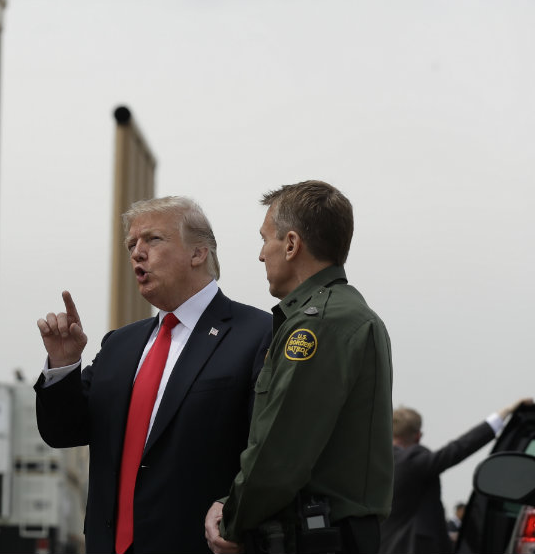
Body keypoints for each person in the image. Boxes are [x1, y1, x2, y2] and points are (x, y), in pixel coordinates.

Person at [35, 196, 272, 553]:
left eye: (153, 240)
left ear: (198, 253)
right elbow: (64, 430)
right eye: (132, 244)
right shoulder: (119, 344)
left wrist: (234, 506)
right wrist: (63, 365)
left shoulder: (258, 334)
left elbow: (269, 449)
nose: (137, 253)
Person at [206, 180, 394, 554]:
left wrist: (232, 521)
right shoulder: (343, 314)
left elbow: (279, 451)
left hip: (315, 538)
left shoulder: (317, 323)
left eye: (266, 239)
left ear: (291, 245)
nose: (261, 255)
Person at [380, 398, 533, 554]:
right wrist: (505, 412)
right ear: (418, 436)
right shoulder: (413, 460)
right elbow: (458, 448)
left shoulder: (374, 462)